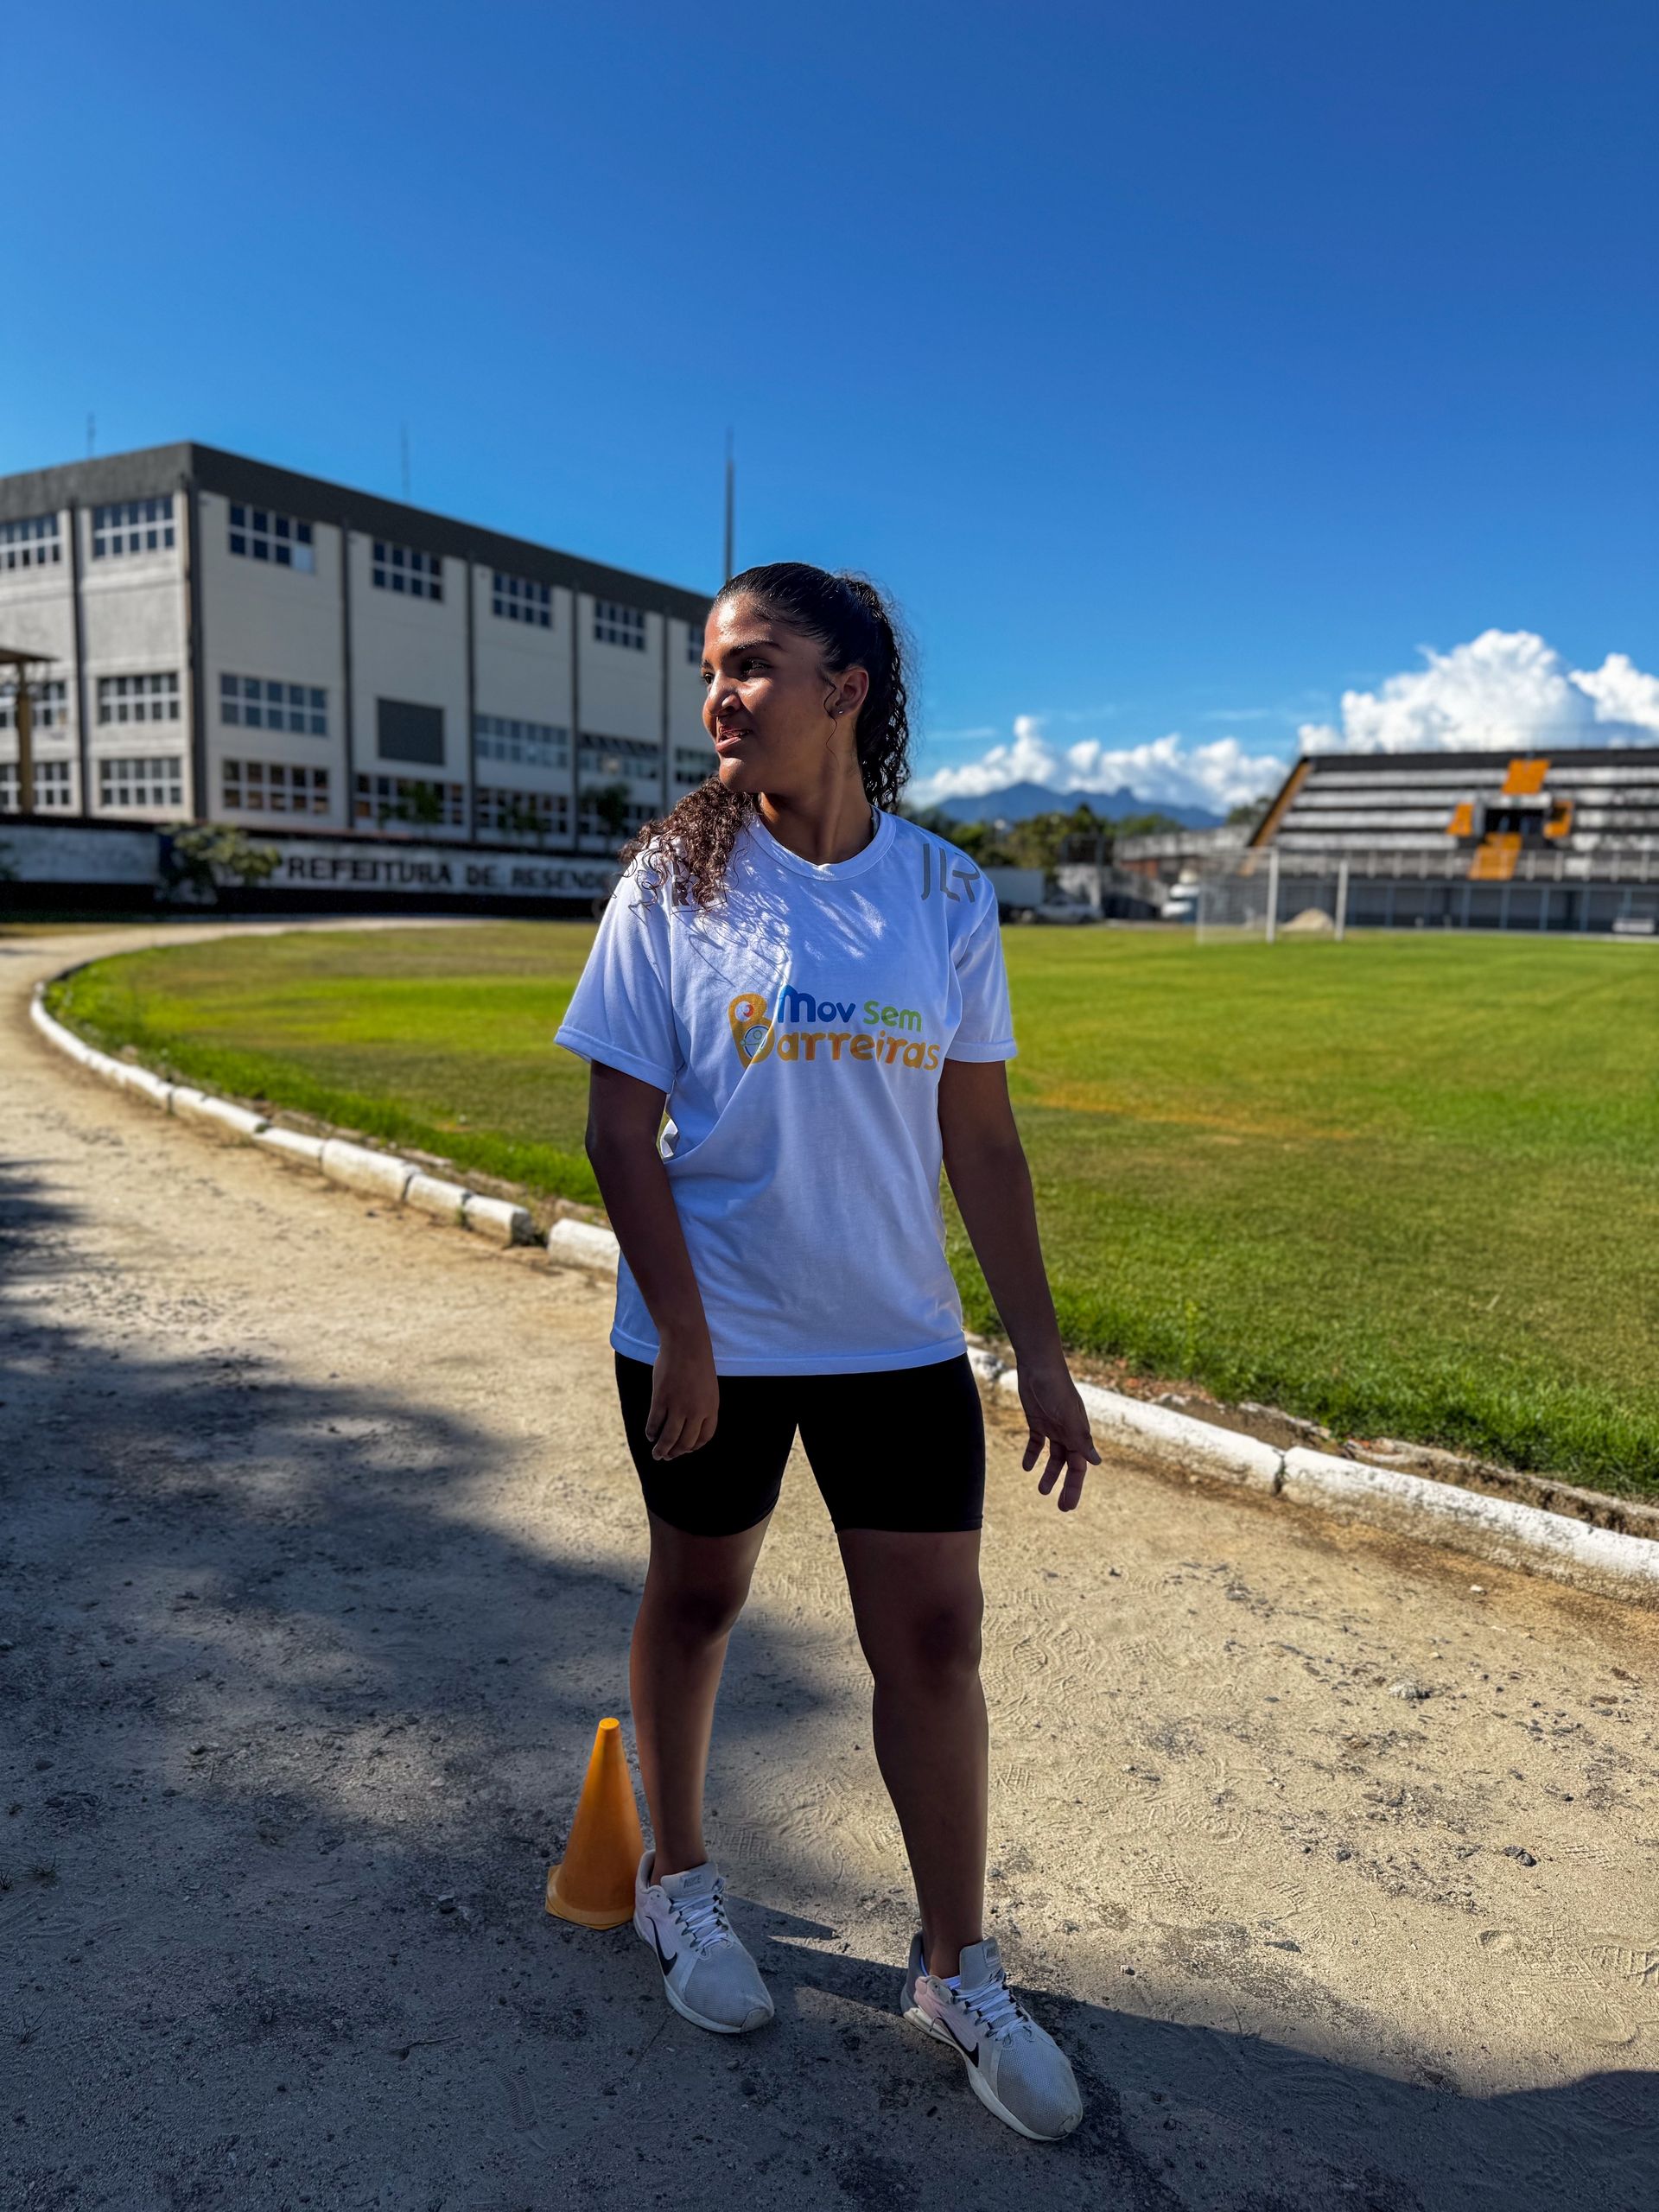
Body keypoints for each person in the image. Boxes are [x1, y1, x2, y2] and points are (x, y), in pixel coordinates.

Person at [554, 562, 1101, 2143]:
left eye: (755, 666)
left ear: (847, 688)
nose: (722, 694)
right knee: (703, 1594)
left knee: (933, 1648)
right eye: (713, 670)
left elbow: (982, 1139)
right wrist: (691, 1337)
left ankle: (956, 1967)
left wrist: (1039, 1355)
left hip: (896, 1341)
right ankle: (679, 1882)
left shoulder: (943, 891)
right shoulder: (673, 878)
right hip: (707, 1334)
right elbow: (616, 1129)